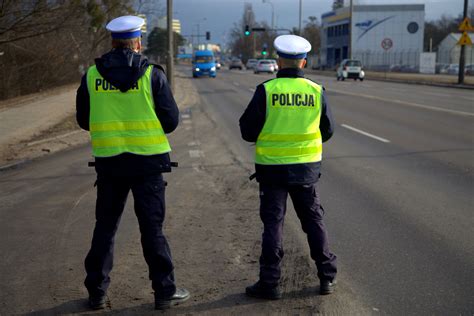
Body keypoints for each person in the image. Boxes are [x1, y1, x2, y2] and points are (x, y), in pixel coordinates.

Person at [76, 15, 189, 310]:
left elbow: (83, 120)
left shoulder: (91, 75)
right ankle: (164, 291)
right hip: (148, 165)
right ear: (137, 42)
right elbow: (171, 120)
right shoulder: (152, 74)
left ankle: (96, 292)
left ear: (112, 42)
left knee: (106, 227)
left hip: (110, 164)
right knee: (152, 229)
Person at [239, 34, 338, 300]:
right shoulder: (316, 91)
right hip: (306, 170)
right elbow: (327, 130)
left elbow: (247, 131)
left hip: (272, 171)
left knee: (273, 224)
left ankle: (270, 283)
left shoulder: (266, 91)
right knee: (313, 221)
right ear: (303, 62)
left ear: (279, 62)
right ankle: (327, 276)